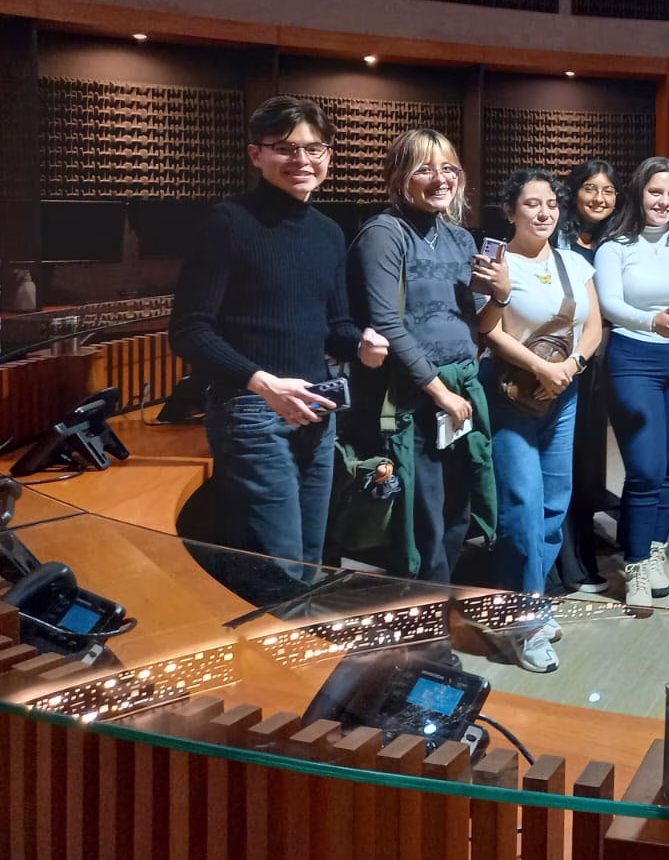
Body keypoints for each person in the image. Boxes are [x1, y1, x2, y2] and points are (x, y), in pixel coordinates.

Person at [171, 96, 387, 570]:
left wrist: (360, 344)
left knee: (311, 559)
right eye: (286, 148)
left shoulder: (329, 232)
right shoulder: (227, 222)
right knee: (276, 563)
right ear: (257, 154)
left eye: (314, 149)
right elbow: (189, 330)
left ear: (329, 156)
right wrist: (264, 383)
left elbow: (335, 327)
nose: (301, 160)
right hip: (252, 412)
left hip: (317, 407)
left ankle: (301, 622)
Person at [348, 128, 497, 584]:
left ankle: (439, 605)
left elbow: (476, 322)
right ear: (399, 176)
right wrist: (439, 392)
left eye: (449, 168)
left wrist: (502, 295)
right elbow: (387, 323)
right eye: (425, 169)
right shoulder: (384, 233)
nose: (440, 179)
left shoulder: (461, 238)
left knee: (458, 511)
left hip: (459, 391)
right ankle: (425, 619)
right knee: (423, 520)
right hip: (412, 398)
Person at [480, 168, 603, 672]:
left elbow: (593, 327)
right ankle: (526, 620)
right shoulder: (495, 263)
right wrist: (542, 368)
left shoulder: (574, 263)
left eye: (551, 203)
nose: (544, 212)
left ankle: (527, 601)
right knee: (522, 507)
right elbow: (487, 329)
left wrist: (571, 366)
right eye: (531, 203)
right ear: (510, 211)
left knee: (555, 502)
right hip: (510, 395)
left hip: (562, 394)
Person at [593, 156, 669, 615]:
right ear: (639, 193)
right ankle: (636, 565)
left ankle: (655, 551)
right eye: (655, 192)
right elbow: (609, 304)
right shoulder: (615, 246)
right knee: (645, 469)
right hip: (633, 360)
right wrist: (650, 322)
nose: (664, 201)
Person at [551, 158, 619, 595]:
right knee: (563, 465)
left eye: (608, 190)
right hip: (562, 360)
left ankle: (582, 555)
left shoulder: (615, 241)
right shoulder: (557, 238)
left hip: (601, 367)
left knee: (588, 465)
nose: (599, 198)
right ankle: (564, 566)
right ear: (574, 193)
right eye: (591, 188)